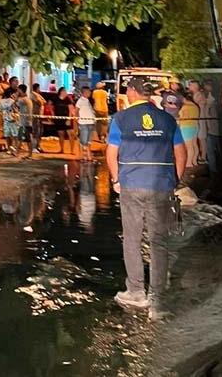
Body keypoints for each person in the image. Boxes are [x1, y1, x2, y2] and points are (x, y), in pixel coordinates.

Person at [107, 77, 186, 320]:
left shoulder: (120, 118)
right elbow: (181, 152)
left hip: (131, 185)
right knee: (158, 241)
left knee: (131, 238)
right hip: (160, 185)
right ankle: (158, 301)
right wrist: (174, 180)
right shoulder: (167, 119)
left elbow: (112, 152)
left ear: (132, 91)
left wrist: (116, 180)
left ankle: (136, 292)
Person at [201, 79, 222, 175]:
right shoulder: (212, 99)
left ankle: (215, 171)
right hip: (214, 131)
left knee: (214, 153)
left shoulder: (213, 100)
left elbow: (208, 115)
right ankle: (214, 170)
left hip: (215, 131)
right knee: (213, 153)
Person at [187, 80, 208, 164]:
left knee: (202, 138)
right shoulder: (195, 95)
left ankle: (203, 157)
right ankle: (199, 156)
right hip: (197, 119)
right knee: (197, 139)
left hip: (201, 118)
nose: (189, 87)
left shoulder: (200, 95)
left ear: (195, 86)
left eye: (191, 85)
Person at [50, 87, 74, 154]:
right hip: (58, 119)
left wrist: (69, 119)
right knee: (61, 134)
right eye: (64, 91)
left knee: (71, 134)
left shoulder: (68, 99)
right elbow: (51, 106)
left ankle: (71, 150)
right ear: (61, 92)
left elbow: (71, 109)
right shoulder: (56, 99)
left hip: (66, 119)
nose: (66, 93)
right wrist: (53, 115)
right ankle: (62, 149)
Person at [77, 86, 97, 161]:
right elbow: (76, 110)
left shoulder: (88, 101)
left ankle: (88, 156)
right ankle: (83, 156)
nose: (90, 93)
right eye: (88, 92)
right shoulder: (80, 101)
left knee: (89, 141)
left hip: (90, 122)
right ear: (84, 92)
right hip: (84, 123)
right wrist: (77, 120)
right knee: (84, 140)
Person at [1, 87, 21, 156]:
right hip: (7, 119)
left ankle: (16, 149)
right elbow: (3, 107)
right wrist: (12, 101)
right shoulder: (4, 100)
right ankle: (10, 148)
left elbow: (17, 108)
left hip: (14, 119)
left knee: (15, 135)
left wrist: (15, 102)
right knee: (7, 135)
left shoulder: (17, 100)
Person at [17, 84, 35, 157]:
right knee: (21, 138)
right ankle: (17, 152)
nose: (17, 91)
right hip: (26, 121)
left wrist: (15, 96)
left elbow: (15, 103)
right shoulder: (27, 99)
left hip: (25, 122)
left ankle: (29, 153)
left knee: (27, 138)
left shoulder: (23, 100)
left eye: (18, 90)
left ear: (21, 90)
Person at [30, 83, 46, 153]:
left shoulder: (38, 95)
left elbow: (44, 101)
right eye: (39, 88)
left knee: (40, 132)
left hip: (39, 115)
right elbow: (40, 102)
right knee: (35, 131)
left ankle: (38, 146)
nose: (40, 90)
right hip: (35, 115)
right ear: (36, 88)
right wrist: (41, 101)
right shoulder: (33, 94)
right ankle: (34, 147)